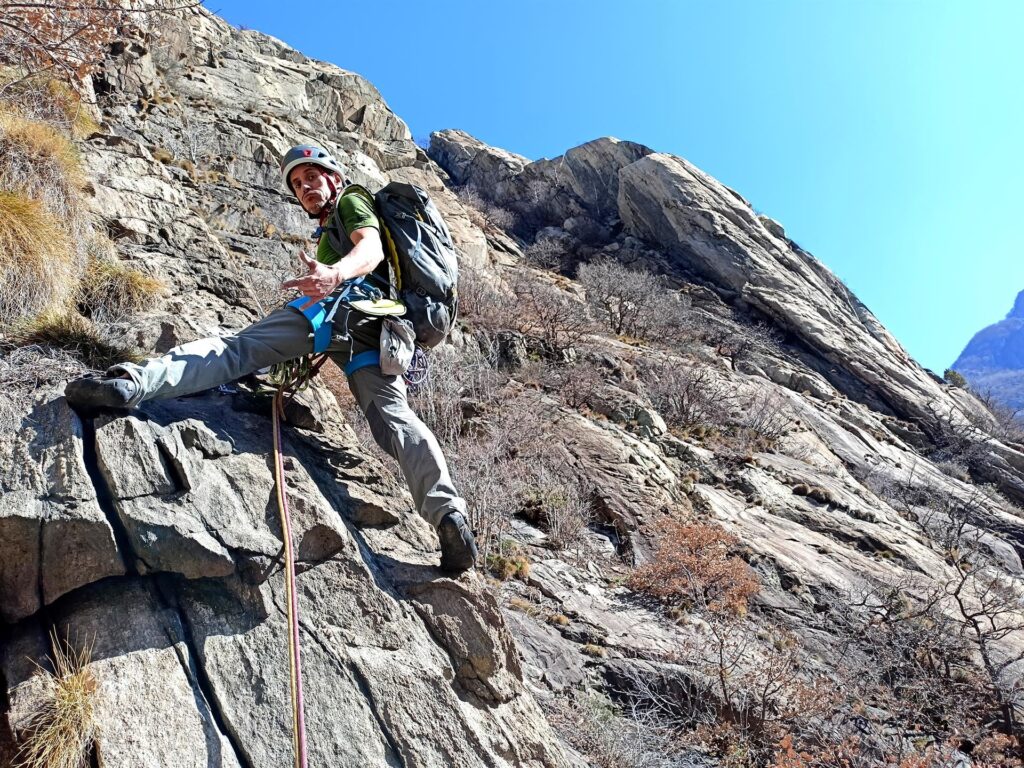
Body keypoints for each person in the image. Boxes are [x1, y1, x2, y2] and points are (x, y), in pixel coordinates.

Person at [65, 143, 478, 573]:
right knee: (395, 420)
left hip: (340, 305)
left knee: (237, 350)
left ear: (333, 178)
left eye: (311, 177)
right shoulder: (330, 230)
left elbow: (370, 248)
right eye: (297, 184)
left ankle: (131, 383)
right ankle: (449, 517)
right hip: (377, 332)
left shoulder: (352, 200)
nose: (305, 187)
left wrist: (334, 274)